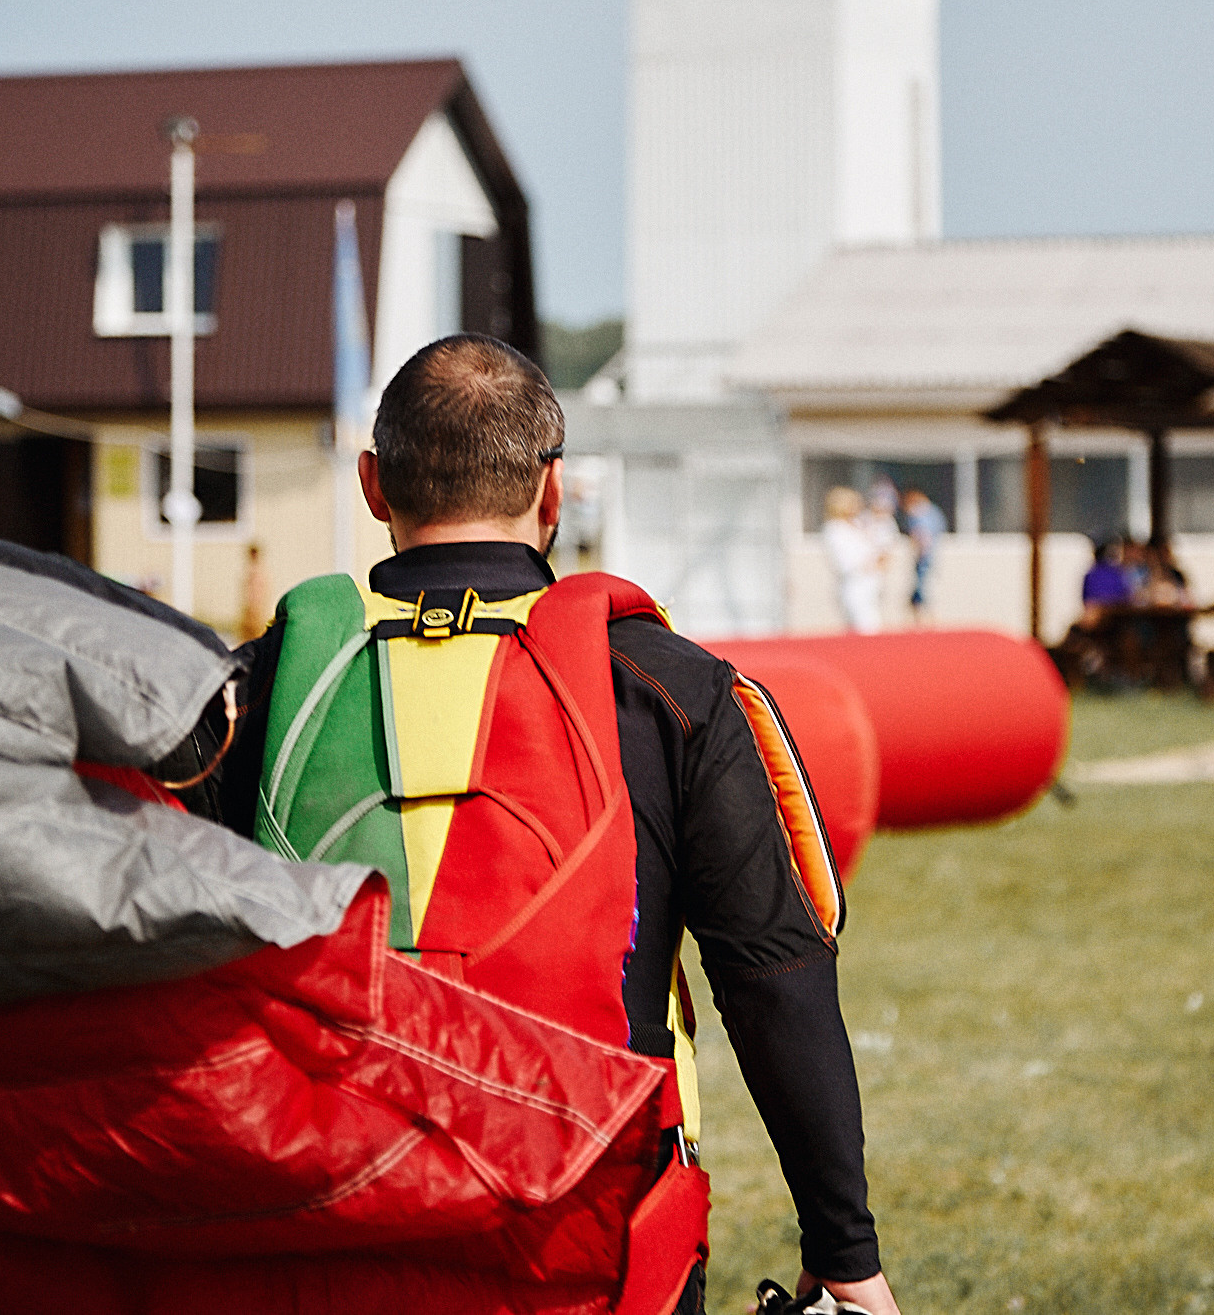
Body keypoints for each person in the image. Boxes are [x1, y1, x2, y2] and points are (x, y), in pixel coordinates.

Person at [221, 335, 901, 1315]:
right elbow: (773, 977)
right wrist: (843, 1250)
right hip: (592, 1234)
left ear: (373, 484)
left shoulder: (265, 682)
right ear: (553, 492)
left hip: (319, 1226)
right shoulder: (671, 689)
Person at [823, 485, 884, 633]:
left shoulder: (857, 525)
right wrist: (869, 563)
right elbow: (845, 563)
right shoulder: (835, 529)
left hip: (871, 585)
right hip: (855, 587)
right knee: (867, 631)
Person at [899, 487, 947, 622]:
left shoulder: (920, 513)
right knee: (919, 595)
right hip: (931, 558)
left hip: (924, 560)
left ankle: (928, 624)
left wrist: (920, 554)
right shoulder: (934, 512)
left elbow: (922, 537)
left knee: (923, 593)